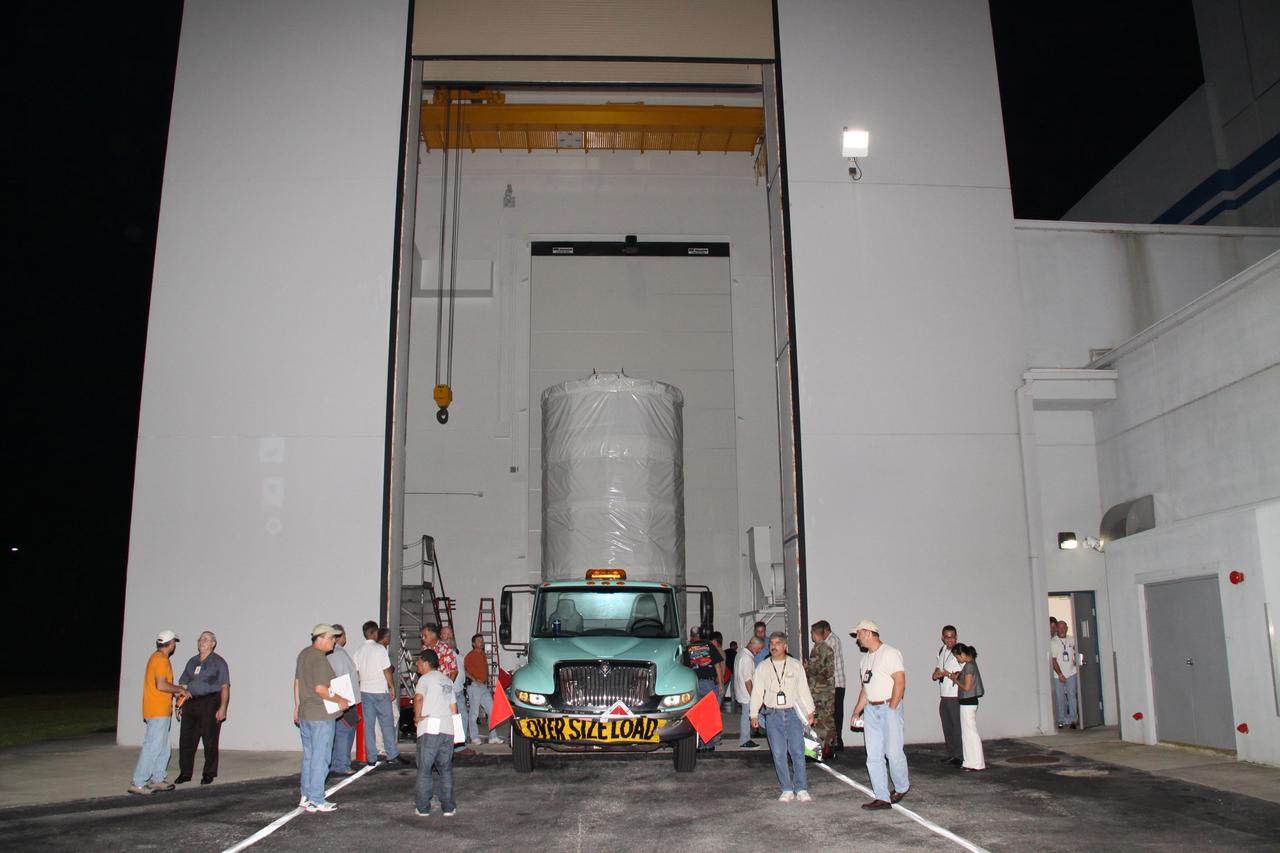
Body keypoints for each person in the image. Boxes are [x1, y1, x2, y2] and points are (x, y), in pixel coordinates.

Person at [850, 619, 909, 810]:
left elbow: (900, 682)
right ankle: (882, 796)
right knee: (873, 756)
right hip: (871, 711)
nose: (857, 638)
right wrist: (856, 711)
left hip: (888, 707)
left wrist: (892, 707)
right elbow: (865, 688)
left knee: (893, 752)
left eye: (859, 634)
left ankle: (901, 786)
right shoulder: (865, 660)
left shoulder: (890, 653)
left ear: (868, 633)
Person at [749, 632, 815, 802]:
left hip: (793, 714)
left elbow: (803, 689)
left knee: (797, 752)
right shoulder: (763, 667)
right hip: (773, 715)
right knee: (778, 753)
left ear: (785, 646)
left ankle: (801, 788)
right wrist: (753, 714)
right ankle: (786, 788)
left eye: (778, 643)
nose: (774, 646)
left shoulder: (795, 665)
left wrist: (810, 711)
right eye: (771, 643)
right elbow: (757, 692)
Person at [293, 624, 348, 813]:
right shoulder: (318, 658)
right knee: (321, 757)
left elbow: (297, 682)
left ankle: (306, 795)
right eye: (332, 638)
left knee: (309, 756)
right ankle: (317, 798)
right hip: (321, 715)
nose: (334, 641)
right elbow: (321, 689)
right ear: (321, 638)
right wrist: (340, 700)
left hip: (306, 713)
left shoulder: (304, 654)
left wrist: (297, 706)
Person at [128, 629, 188, 795]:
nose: (174, 645)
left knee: (164, 747)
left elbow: (162, 686)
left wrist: (175, 692)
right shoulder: (161, 660)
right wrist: (180, 690)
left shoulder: (156, 658)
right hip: (158, 710)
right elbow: (161, 685)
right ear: (171, 644)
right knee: (153, 747)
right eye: (174, 642)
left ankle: (158, 778)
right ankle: (138, 782)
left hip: (159, 710)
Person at [175, 630, 230, 785]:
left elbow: (225, 686)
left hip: (210, 702)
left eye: (206, 639)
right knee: (186, 739)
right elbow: (183, 685)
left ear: (213, 644)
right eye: (200, 639)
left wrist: (223, 707)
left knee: (210, 739)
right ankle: (185, 773)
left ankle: (208, 773)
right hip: (191, 702)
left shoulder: (219, 662)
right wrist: (178, 705)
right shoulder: (192, 662)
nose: (202, 641)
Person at [352, 621, 404, 767]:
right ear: (375, 633)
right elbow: (386, 670)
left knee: (369, 725)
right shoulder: (379, 649)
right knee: (386, 723)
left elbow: (357, 673)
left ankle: (371, 757)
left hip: (365, 691)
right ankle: (391, 754)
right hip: (380, 690)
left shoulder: (358, 651)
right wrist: (392, 687)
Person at [413, 649, 458, 817]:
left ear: (425, 662)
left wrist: (417, 717)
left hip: (430, 727)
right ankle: (448, 807)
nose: (416, 664)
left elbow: (418, 698)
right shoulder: (447, 680)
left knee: (424, 769)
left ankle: (423, 807)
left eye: (418, 661)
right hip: (447, 728)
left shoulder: (425, 679)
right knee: (445, 769)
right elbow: (453, 707)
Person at [326, 624, 360, 777]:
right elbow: (341, 679)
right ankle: (342, 764)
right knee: (344, 731)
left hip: (339, 699)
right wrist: (344, 702)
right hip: (345, 700)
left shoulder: (331, 654)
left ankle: (335, 763)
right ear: (340, 636)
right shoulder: (338, 654)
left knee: (338, 732)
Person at [682, 627, 723, 750]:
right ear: (701, 635)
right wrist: (721, 683)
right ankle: (709, 745)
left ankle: (699, 743)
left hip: (694, 684)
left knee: (697, 715)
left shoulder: (687, 649)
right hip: (709, 683)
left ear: (692, 636)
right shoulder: (709, 646)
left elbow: (685, 670)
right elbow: (718, 666)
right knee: (710, 714)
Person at [947, 643, 986, 771]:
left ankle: (977, 763)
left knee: (970, 733)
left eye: (957, 657)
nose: (957, 659)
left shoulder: (969, 666)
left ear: (962, 654)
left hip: (968, 702)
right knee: (967, 733)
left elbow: (967, 687)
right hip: (968, 702)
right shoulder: (971, 664)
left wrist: (955, 680)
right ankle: (970, 762)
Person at [931, 624, 962, 767]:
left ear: (956, 637)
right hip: (944, 694)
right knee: (947, 726)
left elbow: (965, 671)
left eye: (952, 637)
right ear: (942, 638)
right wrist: (936, 673)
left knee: (957, 726)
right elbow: (939, 666)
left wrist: (948, 674)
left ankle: (960, 755)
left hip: (955, 694)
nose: (950, 640)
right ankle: (952, 754)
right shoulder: (942, 650)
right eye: (947, 637)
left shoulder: (959, 651)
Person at [463, 634, 503, 744]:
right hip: (475, 686)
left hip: (484, 687)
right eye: (479, 640)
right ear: (473, 643)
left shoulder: (483, 655)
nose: (482, 642)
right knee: (474, 713)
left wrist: (488, 683)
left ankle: (493, 737)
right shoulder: (470, 656)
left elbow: (485, 670)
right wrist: (474, 679)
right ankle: (474, 737)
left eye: (482, 640)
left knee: (492, 710)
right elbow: (463, 670)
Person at [813, 620, 847, 750]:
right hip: (832, 685)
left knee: (835, 714)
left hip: (836, 684)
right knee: (831, 715)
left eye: (815, 633)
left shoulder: (832, 641)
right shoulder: (828, 641)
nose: (813, 637)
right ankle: (833, 743)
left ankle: (836, 742)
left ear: (825, 631)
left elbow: (822, 656)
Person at [805, 622, 836, 755]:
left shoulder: (818, 649)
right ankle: (829, 749)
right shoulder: (828, 648)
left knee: (816, 721)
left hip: (818, 692)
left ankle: (815, 752)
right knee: (828, 720)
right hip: (828, 691)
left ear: (814, 634)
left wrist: (806, 667)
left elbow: (814, 669)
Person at [732, 636, 762, 748]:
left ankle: (746, 738)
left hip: (741, 691)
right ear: (753, 645)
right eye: (759, 648)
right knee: (746, 715)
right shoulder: (747, 658)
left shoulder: (741, 654)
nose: (759, 651)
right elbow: (748, 680)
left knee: (746, 715)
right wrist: (754, 696)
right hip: (746, 693)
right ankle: (745, 740)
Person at [1050, 619, 1079, 729]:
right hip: (1058, 676)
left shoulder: (1072, 639)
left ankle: (1073, 719)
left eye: (1064, 628)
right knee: (1060, 698)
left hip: (1071, 673)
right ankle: (1061, 720)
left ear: (1067, 628)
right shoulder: (1053, 642)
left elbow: (1077, 652)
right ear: (1057, 629)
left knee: (1072, 696)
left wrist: (1077, 661)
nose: (1062, 630)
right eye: (1060, 628)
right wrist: (1060, 675)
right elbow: (1053, 660)